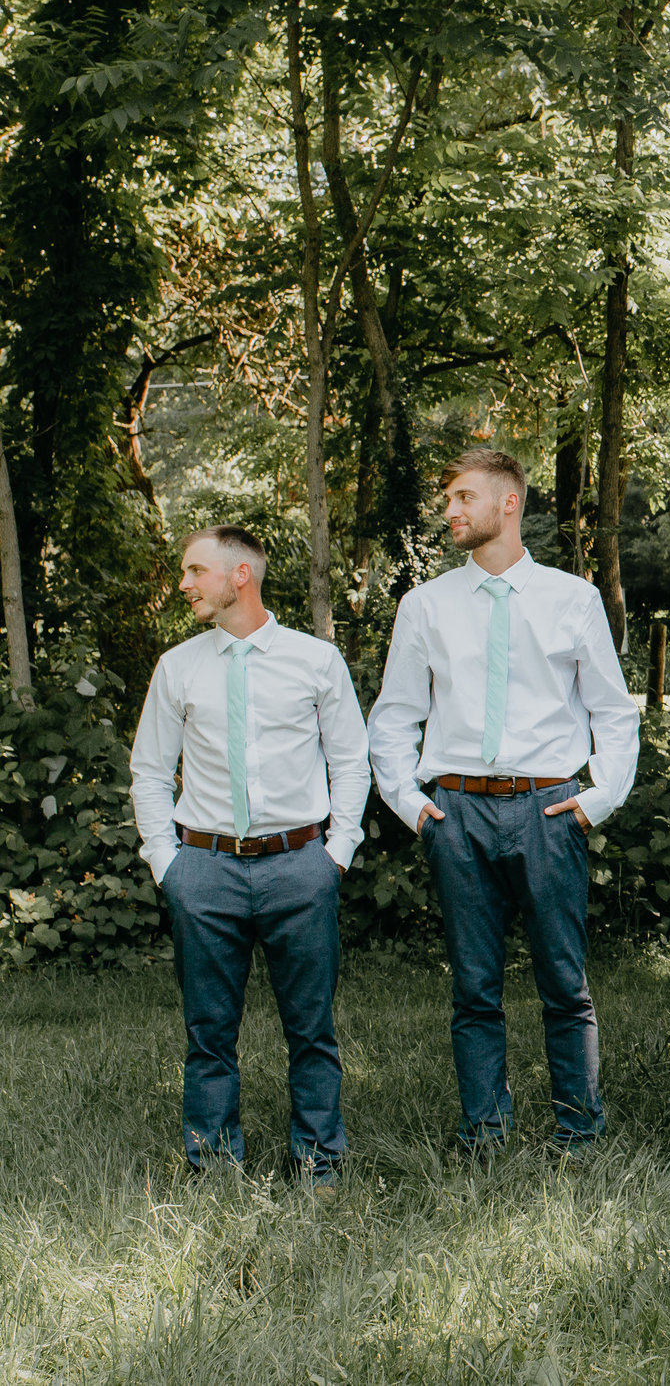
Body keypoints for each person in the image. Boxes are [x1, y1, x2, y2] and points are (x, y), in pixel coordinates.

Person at [368, 449, 640, 1153]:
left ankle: (579, 1131)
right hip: (455, 811)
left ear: (509, 502)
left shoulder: (571, 598)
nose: (450, 511)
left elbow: (613, 712)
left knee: (563, 980)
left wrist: (596, 799)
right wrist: (408, 800)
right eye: (448, 499)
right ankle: (483, 1131)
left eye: (463, 497)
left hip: (548, 808)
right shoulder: (424, 605)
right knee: (473, 986)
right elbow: (394, 716)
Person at [130, 526, 369, 1187]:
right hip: (204, 871)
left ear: (241, 574)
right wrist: (167, 864)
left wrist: (336, 853)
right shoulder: (179, 665)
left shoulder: (316, 661)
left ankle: (320, 1161)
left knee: (312, 1029)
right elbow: (150, 771)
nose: (184, 583)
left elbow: (352, 761)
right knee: (208, 1032)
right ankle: (214, 1169)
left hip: (300, 866)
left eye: (194, 570)